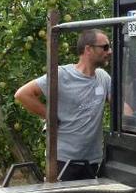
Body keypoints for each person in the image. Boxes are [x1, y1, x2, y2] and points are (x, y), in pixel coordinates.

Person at [14, 29, 112, 181]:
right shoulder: (62, 75)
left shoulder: (103, 78)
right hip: (64, 160)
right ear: (88, 49)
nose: (109, 51)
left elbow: (120, 106)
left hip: (92, 160)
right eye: (105, 47)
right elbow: (23, 94)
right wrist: (50, 116)